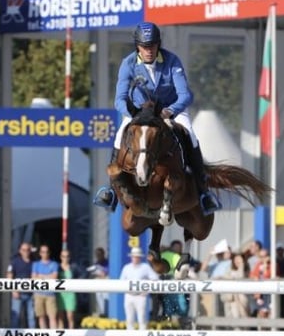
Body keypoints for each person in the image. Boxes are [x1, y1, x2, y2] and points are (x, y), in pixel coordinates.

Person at [93, 21, 221, 215]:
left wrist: (170, 111)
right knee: (120, 134)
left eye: (152, 45)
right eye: (145, 47)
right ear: (138, 46)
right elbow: (119, 99)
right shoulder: (128, 64)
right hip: (139, 113)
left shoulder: (172, 61)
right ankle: (110, 190)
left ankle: (204, 193)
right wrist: (133, 114)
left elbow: (185, 95)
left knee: (191, 135)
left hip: (169, 110)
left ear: (158, 44)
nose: (149, 50)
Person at [119, 247, 160, 336]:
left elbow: (155, 278)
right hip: (129, 295)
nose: (135, 258)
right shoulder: (127, 268)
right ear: (131, 257)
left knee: (141, 318)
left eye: (137, 256)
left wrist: (146, 291)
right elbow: (121, 281)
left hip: (141, 296)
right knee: (129, 319)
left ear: (139, 257)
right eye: (134, 256)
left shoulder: (145, 267)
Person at [7, 242, 36, 329]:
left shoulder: (34, 262)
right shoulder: (14, 262)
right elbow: (9, 276)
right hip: (18, 293)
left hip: (30, 293)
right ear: (20, 251)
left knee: (31, 316)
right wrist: (13, 290)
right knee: (16, 315)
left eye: (27, 250)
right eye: (23, 250)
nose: (26, 252)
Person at [31, 244, 58, 329]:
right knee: (41, 316)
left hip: (51, 294)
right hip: (38, 294)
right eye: (43, 252)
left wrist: (41, 276)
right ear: (40, 253)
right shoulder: (35, 264)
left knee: (52, 316)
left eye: (46, 252)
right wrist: (47, 276)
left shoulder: (54, 264)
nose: (45, 253)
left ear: (49, 253)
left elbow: (54, 277)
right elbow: (33, 278)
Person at [56, 249, 77, 330]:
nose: (65, 258)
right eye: (63, 256)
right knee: (60, 316)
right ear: (61, 257)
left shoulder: (73, 267)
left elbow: (83, 274)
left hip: (70, 294)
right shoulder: (57, 267)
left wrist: (76, 283)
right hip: (60, 294)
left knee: (70, 316)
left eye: (67, 256)